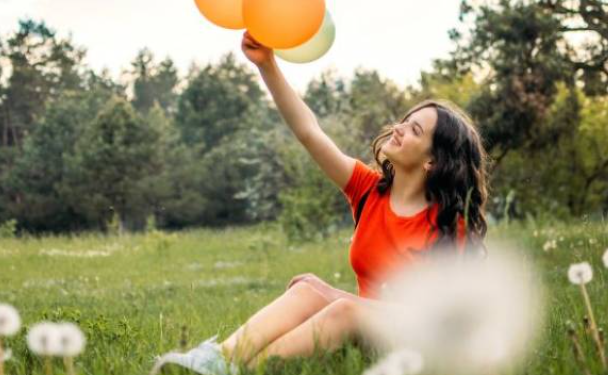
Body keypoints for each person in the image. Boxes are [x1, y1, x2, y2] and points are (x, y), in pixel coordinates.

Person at [151, 31, 490, 375]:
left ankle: (239, 371)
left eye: (415, 131)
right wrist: (267, 65)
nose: (399, 129)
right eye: (405, 121)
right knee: (310, 290)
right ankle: (219, 362)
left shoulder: (449, 225)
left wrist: (343, 301)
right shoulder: (369, 189)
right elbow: (309, 132)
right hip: (363, 330)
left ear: (432, 161)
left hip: (416, 348)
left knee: (340, 308)